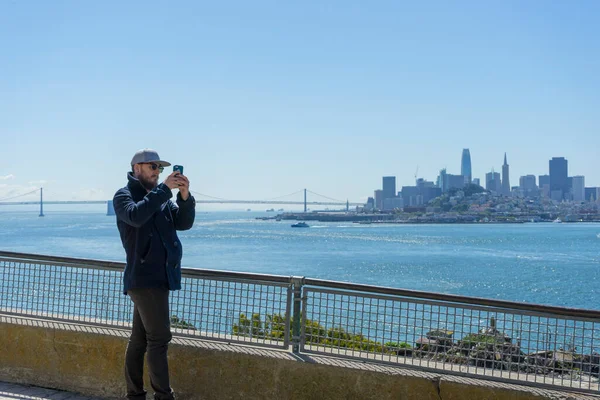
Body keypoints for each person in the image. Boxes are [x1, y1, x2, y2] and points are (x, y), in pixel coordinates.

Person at [113, 149, 195, 400]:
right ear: (136, 168)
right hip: (144, 277)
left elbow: (183, 223)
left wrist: (184, 195)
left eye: (160, 168)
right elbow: (136, 217)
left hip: (160, 278)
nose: (158, 172)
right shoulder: (124, 196)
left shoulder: (160, 198)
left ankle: (135, 395)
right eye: (153, 167)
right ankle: (163, 396)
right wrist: (164, 191)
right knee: (159, 339)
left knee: (140, 340)